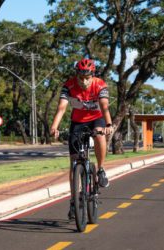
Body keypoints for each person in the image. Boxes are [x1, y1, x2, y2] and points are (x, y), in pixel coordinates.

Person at [50, 58, 113, 219]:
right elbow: (62, 107)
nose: (84, 81)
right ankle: (73, 201)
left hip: (96, 119)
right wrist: (54, 126)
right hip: (77, 122)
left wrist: (108, 124)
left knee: (99, 134)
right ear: (76, 75)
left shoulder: (100, 85)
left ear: (93, 75)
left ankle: (100, 169)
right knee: (73, 163)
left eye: (87, 77)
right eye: (81, 77)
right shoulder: (69, 86)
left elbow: (105, 106)